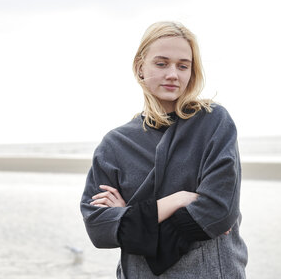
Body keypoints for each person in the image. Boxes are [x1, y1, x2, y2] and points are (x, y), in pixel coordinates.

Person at [80, 21, 248, 278]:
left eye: (183, 66)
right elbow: (98, 228)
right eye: (161, 63)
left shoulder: (214, 122)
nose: (173, 74)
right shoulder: (114, 145)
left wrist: (130, 219)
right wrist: (178, 200)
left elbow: (218, 211)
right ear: (140, 68)